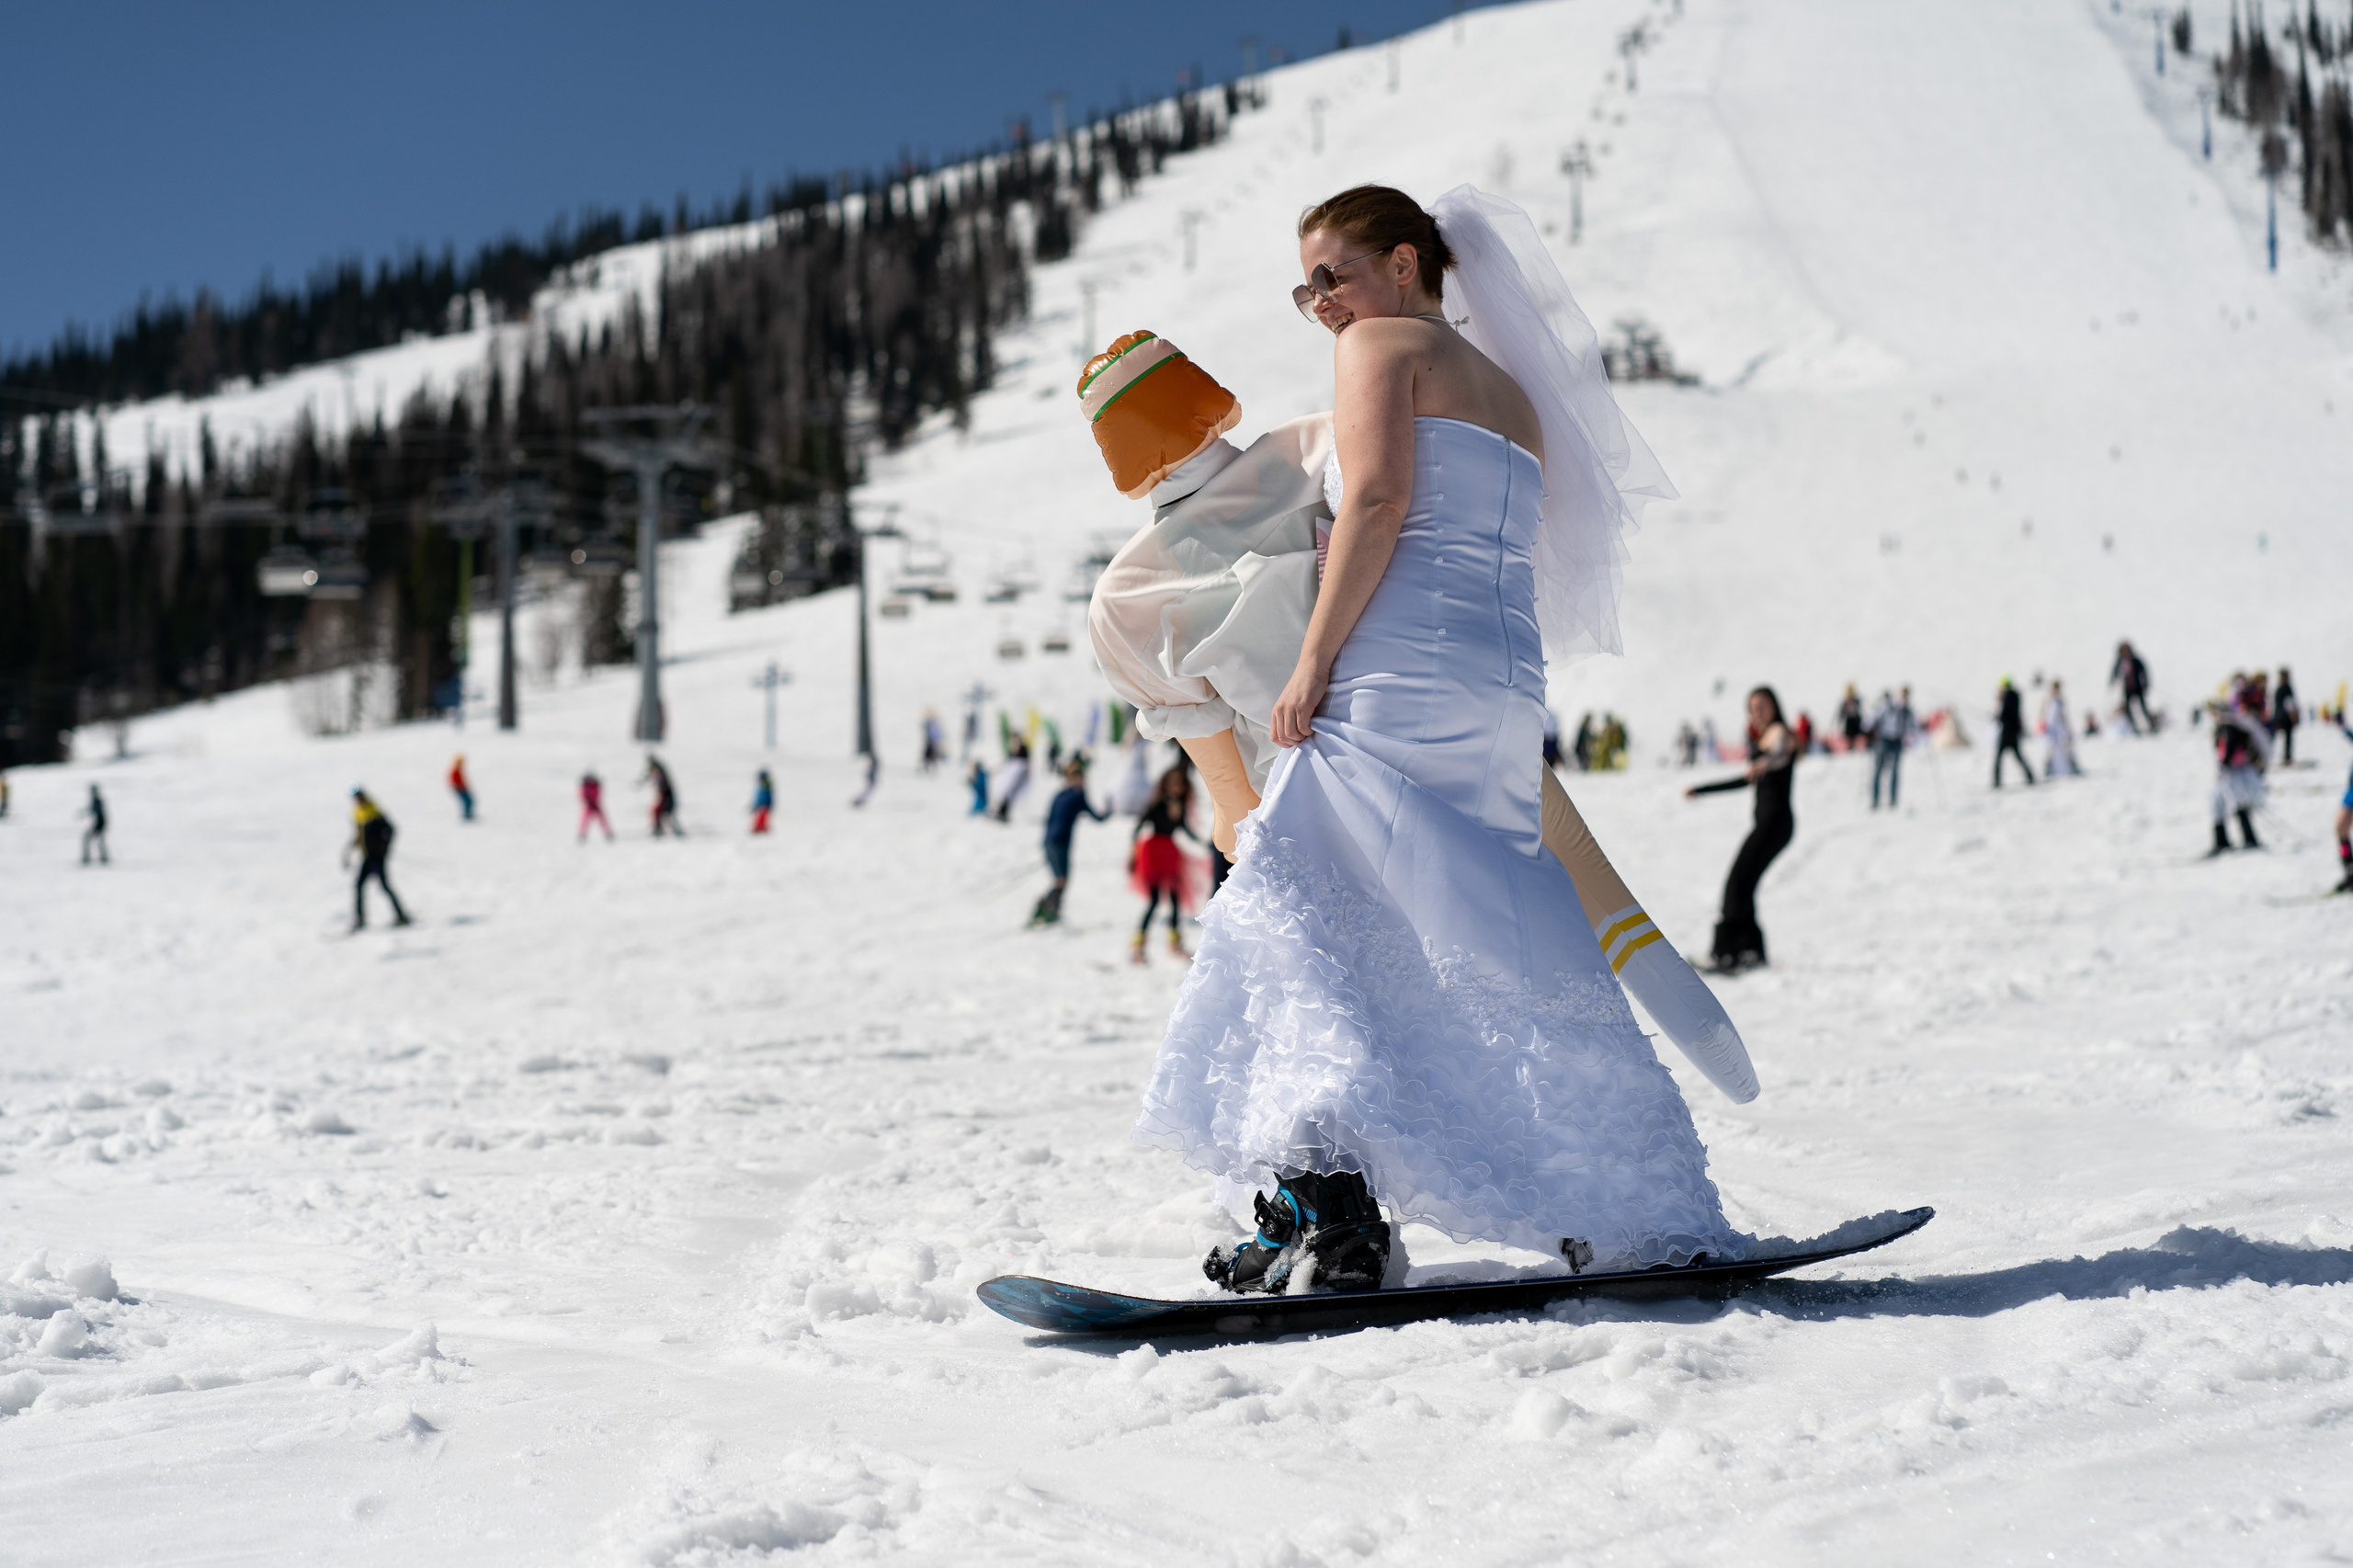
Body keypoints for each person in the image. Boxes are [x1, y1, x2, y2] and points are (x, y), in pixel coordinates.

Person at [1113, 184, 1747, 1294]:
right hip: (1499, 683)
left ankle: (1322, 1208)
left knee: (1289, 899)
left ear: (1404, 265)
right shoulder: (1511, 390)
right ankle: (1639, 1195)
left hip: (1397, 671)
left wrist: (1310, 662)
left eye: (1333, 274)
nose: (1319, 302)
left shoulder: (1379, 347)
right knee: (1502, 922)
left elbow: (1375, 504)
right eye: (1305, 284)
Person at [1688, 687, 1798, 972]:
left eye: (1762, 705)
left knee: (1736, 884)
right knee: (1744, 886)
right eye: (1752, 708)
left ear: (1775, 706)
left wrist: (1766, 761)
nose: (1757, 713)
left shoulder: (1778, 733)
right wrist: (1702, 790)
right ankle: (1751, 952)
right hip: (1772, 825)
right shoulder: (1764, 739)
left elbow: (1782, 753)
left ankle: (1725, 953)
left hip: (1775, 824)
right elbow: (1745, 779)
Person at [1129, 764, 1201, 962]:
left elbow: (1184, 829)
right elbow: (1138, 828)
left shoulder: (1180, 805)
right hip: (1153, 852)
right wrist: (1133, 855)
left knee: (1175, 900)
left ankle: (1174, 942)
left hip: (1169, 851)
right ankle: (1138, 944)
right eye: (1173, 783)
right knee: (1154, 901)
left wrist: (1205, 843)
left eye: (1180, 784)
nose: (1177, 787)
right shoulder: (1158, 804)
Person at [1031, 757, 1108, 926]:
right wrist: (1109, 809)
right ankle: (1046, 910)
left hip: (1049, 841)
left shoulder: (1059, 794)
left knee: (1059, 880)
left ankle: (1049, 910)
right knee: (1062, 880)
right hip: (1060, 842)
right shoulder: (1077, 796)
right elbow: (1097, 817)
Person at [2208, 696, 2267, 856]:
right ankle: (2222, 840)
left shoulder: (2229, 726)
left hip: (2236, 772)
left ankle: (2248, 839)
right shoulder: (2225, 725)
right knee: (2219, 803)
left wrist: (2224, 764)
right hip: (2231, 771)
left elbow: (2230, 748)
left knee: (2237, 804)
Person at [345, 788, 410, 929]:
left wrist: (384, 848)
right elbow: (360, 834)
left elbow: (391, 829)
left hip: (377, 857)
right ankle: (360, 919)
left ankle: (401, 916)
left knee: (384, 886)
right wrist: (349, 850)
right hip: (367, 857)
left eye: (359, 796)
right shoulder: (359, 813)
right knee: (360, 886)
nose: (358, 799)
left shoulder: (374, 811)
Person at [1868, 687, 1913, 809]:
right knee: (1878, 771)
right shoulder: (1882, 709)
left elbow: (1911, 726)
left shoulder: (1905, 710)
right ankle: (1875, 800)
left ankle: (1893, 800)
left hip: (1896, 741)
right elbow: (1868, 724)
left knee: (1895, 772)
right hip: (1883, 741)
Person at [1994, 676, 2036, 788]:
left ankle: (1997, 781)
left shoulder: (2008, 697)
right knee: (2018, 756)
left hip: (2007, 733)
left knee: (1999, 758)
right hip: (2014, 732)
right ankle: (2030, 776)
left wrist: (1999, 718)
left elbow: (2005, 715)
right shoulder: (2016, 696)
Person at [2111, 641, 2154, 733]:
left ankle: (2151, 726)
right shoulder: (2121, 662)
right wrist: (2113, 681)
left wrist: (2145, 684)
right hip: (2128, 689)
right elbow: (2115, 673)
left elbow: (2143, 672)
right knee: (2128, 710)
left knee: (2143, 708)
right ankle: (2135, 728)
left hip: (2138, 688)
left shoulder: (2135, 660)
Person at [2042, 679, 2080, 778]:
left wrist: (2068, 729)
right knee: (2051, 750)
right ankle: (2049, 769)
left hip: (2060, 729)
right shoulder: (2049, 701)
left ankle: (2073, 767)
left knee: (2065, 749)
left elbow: (2064, 716)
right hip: (2052, 729)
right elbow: (2046, 716)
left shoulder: (2059, 701)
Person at [992, 733, 1031, 823]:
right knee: (1004, 792)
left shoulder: (1023, 748)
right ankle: (1000, 812)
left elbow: (1026, 761)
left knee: (1009, 793)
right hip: (1010, 772)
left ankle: (1003, 813)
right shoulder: (1012, 748)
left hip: (1017, 773)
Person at [642, 756, 681, 836]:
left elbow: (657, 781)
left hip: (666, 796)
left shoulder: (659, 772)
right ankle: (661, 830)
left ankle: (660, 830)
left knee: (663, 813)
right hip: (665, 796)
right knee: (664, 814)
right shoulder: (659, 772)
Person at [2272, 667, 2301, 764]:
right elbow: (2289, 703)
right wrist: (2293, 716)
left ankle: (2285, 757)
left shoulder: (2279, 687)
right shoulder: (2286, 687)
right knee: (2287, 738)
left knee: (2284, 739)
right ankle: (2286, 758)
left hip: (2279, 717)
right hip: (2285, 718)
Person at [578, 770, 613, 841]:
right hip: (589, 805)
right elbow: (582, 794)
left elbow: (598, 793)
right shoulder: (585, 785)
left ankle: (607, 833)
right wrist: (587, 800)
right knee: (585, 820)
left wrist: (596, 800)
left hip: (596, 804)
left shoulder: (595, 784)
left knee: (602, 819)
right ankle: (582, 834)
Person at [80, 784, 108, 866]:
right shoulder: (96, 800)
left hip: (100, 822)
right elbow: (92, 810)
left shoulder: (97, 800)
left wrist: (85, 813)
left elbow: (95, 811)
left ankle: (88, 858)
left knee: (90, 838)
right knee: (98, 840)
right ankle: (102, 857)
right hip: (100, 822)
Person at [1837, 684, 1865, 753]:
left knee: (1856, 735)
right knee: (1849, 735)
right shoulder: (1845, 702)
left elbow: (1860, 711)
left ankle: (1856, 746)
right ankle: (1850, 747)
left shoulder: (1856, 701)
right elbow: (1842, 713)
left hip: (1855, 721)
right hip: (1849, 721)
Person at [448, 754, 474, 822]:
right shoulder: (455, 770)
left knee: (469, 801)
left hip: (462, 788)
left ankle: (468, 814)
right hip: (460, 789)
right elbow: (454, 780)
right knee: (467, 801)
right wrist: (459, 787)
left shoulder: (458, 770)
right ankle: (467, 815)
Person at [749, 768, 774, 834]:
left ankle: (761, 829)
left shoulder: (766, 786)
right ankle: (759, 828)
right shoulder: (762, 785)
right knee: (759, 816)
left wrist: (765, 804)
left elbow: (765, 797)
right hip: (761, 804)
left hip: (764, 804)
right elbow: (759, 796)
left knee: (762, 817)